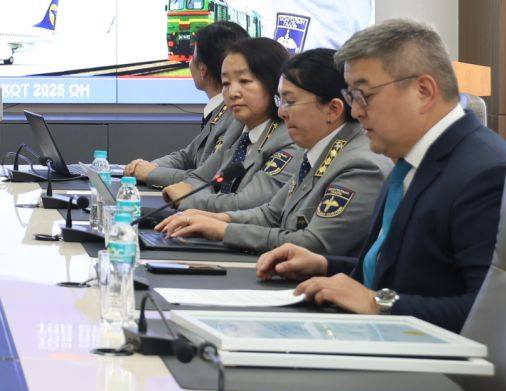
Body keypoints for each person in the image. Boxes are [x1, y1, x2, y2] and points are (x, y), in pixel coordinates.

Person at [256, 18, 506, 331]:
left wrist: (376, 303)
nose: (355, 111)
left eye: (363, 95)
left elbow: (490, 313)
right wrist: (325, 265)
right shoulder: (411, 160)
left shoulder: (483, 174)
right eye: (351, 96)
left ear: (423, 91)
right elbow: (404, 273)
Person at [157, 48, 389, 255]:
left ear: (333, 109)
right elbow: (270, 214)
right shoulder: (317, 150)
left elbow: (314, 243)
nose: (281, 112)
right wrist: (213, 219)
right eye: (281, 100)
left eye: (290, 102)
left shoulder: (360, 164)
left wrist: (224, 230)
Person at [155, 37, 294, 215]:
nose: (232, 92)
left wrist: (189, 198)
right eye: (226, 83)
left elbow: (244, 204)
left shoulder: (289, 139)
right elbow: (199, 178)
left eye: (244, 81)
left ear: (274, 83)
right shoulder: (238, 130)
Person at [124, 20, 248, 189]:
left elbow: (206, 178)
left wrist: (152, 173)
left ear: (203, 70)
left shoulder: (236, 116)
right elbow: (188, 156)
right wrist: (149, 167)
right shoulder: (220, 111)